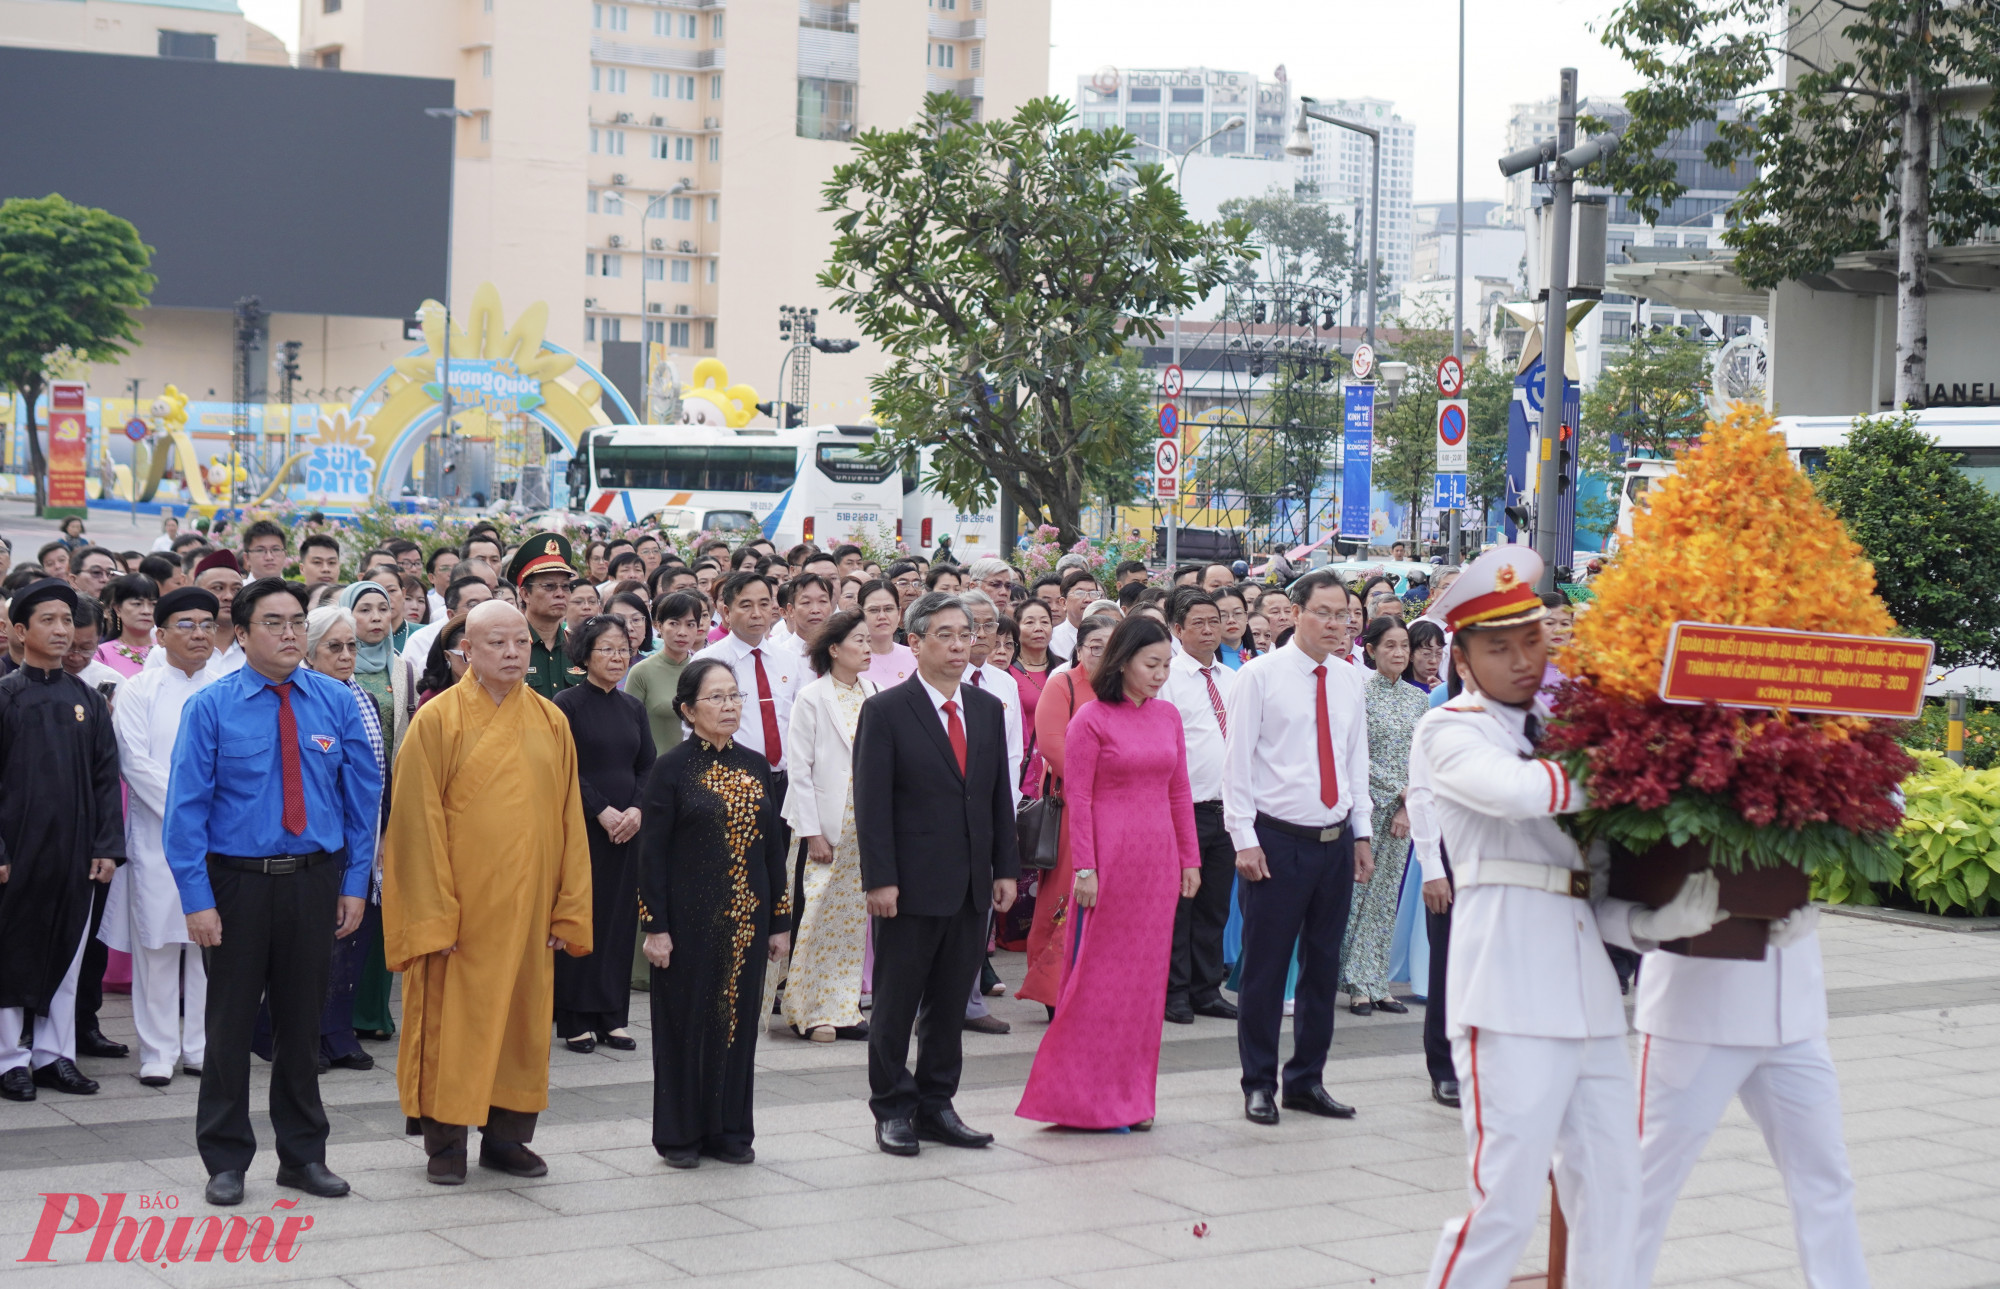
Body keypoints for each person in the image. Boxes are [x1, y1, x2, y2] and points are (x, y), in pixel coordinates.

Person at [1414, 545, 1714, 1289]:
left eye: (1532, 639)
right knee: (1505, 1207)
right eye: (1498, 646)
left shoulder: (1567, 730)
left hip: (1587, 996)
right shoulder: (1452, 730)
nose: (1522, 659)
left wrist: (1659, 922)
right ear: (1462, 656)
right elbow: (1521, 793)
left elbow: (1594, 892)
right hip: (1508, 993)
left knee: (1615, 1193)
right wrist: (1636, 760)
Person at [163, 577, 380, 1205]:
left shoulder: (335, 702)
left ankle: (303, 1156)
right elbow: (186, 812)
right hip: (236, 886)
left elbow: (362, 802)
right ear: (244, 631)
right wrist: (197, 898)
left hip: (315, 882)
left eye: (296, 623)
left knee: (301, 1023)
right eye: (274, 623)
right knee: (229, 1025)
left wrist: (355, 882)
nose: (289, 634)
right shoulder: (212, 706)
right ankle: (225, 1159)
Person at [381, 601, 594, 1185]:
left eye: (520, 643)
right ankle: (444, 1143)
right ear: (465, 653)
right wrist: (431, 917)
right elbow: (414, 828)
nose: (511, 654)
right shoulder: (437, 720)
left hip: (528, 913)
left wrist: (568, 905)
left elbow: (568, 819)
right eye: (495, 644)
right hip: (461, 916)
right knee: (452, 1027)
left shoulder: (550, 720)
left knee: (521, 1026)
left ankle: (507, 1138)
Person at [1016, 616, 1198, 1130]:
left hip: (1156, 863)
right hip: (1107, 862)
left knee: (1144, 987)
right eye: (1152, 664)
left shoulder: (1168, 717)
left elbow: (1178, 791)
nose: (1162, 674)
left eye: (1167, 664)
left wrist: (1189, 858)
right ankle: (1079, 1097)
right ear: (1123, 662)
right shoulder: (1091, 719)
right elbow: (1081, 796)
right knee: (1098, 981)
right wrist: (1087, 868)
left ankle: (1133, 1097)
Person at [854, 592, 1019, 1156]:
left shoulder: (986, 707)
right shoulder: (885, 711)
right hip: (909, 883)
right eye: (943, 635)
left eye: (964, 634)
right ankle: (892, 1108)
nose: (957, 644)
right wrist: (880, 879)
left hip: (972, 880)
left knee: (950, 1004)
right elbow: (871, 804)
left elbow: (997, 794)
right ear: (915, 642)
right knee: (897, 1003)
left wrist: (1005, 868)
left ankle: (937, 1104)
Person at [1223, 569, 1376, 1128]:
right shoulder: (1259, 676)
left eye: (1345, 616)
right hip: (1276, 840)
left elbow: (1353, 759)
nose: (1337, 625)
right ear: (1295, 611)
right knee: (1264, 970)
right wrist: (1243, 838)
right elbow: (1236, 762)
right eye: (1326, 613)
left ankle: (1307, 1079)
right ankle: (1258, 1082)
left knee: (1322, 967)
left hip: (1334, 842)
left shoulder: (1349, 679)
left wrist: (1361, 832)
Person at [638, 658, 788, 1165]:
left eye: (734, 696)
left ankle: (729, 1131)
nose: (729, 706)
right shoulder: (671, 768)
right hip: (688, 921)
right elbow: (651, 854)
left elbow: (773, 849)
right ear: (687, 709)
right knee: (686, 1026)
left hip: (748, 921)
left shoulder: (755, 764)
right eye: (716, 698)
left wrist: (780, 923)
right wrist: (655, 927)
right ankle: (680, 1136)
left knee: (737, 1026)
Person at [0, 581, 125, 1103]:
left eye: (65, 620)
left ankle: (56, 1056)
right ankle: (10, 1059)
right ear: (20, 631)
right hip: (17, 852)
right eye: (47, 620)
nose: (59, 630)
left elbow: (105, 778)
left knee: (70, 951)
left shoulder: (87, 701)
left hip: (75, 851)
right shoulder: (6, 696)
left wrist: (106, 846)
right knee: (11, 951)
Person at [103, 586, 219, 1086]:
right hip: (158, 835)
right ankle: (157, 1049)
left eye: (207, 624)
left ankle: (198, 1044)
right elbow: (134, 763)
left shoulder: (227, 684)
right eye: (187, 624)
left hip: (219, 835)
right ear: (161, 633)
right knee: (157, 943)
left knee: (207, 943)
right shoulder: (139, 689)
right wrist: (188, 811)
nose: (198, 634)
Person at [552, 616, 656, 1053]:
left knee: (618, 921)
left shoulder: (632, 706)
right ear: (585, 655)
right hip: (584, 828)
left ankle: (613, 1017)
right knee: (583, 917)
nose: (617, 658)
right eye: (607, 649)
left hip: (628, 830)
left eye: (623, 649)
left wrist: (635, 809)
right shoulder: (567, 703)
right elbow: (564, 767)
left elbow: (647, 765)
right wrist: (601, 811)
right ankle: (575, 1017)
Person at [293, 606, 386, 1071]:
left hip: (363, 830)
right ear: (309, 652)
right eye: (334, 646)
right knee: (317, 940)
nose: (347, 654)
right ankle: (305, 1033)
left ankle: (338, 1029)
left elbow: (376, 774)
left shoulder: (363, 698)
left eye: (352, 645)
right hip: (318, 835)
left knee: (355, 932)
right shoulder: (304, 697)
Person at [778, 610, 878, 1043]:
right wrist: (811, 831)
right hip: (826, 823)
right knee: (816, 915)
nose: (868, 646)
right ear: (834, 649)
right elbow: (798, 770)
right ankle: (806, 1010)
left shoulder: (874, 691)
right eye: (859, 640)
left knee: (854, 919)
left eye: (870, 640)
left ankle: (844, 1007)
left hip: (867, 826)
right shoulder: (812, 696)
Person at [1019, 612, 1115, 1010]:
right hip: (1073, 808)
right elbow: (1055, 748)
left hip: (1117, 813)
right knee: (1064, 896)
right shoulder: (1063, 684)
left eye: (1114, 647)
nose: (1105, 655)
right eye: (1096, 647)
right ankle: (1051, 987)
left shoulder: (1129, 688)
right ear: (1078, 650)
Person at [1339, 615, 1430, 1017]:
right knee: (1360, 891)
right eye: (1389, 646)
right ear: (1371, 650)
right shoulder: (1358, 694)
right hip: (1366, 805)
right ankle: (1356, 983)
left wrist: (1410, 803)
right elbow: (1356, 754)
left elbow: (1422, 758)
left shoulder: (1418, 698)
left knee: (1385, 897)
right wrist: (1399, 790)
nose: (1398, 653)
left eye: (1404, 646)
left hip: (1404, 814)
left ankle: (1377, 982)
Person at [1160, 590, 1239, 1024]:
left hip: (1227, 810)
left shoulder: (1232, 679)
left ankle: (1206, 990)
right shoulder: (1167, 679)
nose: (1210, 629)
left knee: (1214, 906)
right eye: (1200, 623)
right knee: (1179, 905)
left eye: (1216, 620)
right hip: (1184, 810)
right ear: (1177, 629)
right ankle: (1173, 992)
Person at [626, 590, 705, 753]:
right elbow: (628, 729)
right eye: (674, 623)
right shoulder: (641, 672)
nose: (682, 632)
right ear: (659, 626)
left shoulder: (705, 670)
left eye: (690, 624)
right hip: (657, 769)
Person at [508, 534, 576, 700]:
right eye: (549, 586)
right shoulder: (509, 647)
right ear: (525, 594)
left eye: (566, 587)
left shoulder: (578, 647)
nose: (560, 594)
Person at [857, 579, 916, 687]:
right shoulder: (851, 661)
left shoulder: (915, 657)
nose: (882, 616)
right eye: (874, 610)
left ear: (899, 613)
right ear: (860, 614)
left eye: (888, 609)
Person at [97, 574, 159, 676]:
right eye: (137, 604)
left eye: (153, 604)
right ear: (118, 608)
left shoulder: (168, 651)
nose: (147, 611)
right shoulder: (101, 654)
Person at [1048, 569, 1099, 659]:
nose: (1088, 599)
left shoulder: (1108, 634)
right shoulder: (1051, 639)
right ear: (1063, 603)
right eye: (1080, 593)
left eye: (1093, 593)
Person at [1408, 618, 1447, 692]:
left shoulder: (1448, 690)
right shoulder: (1400, 691)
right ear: (1411, 655)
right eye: (1427, 654)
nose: (1434, 661)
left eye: (1439, 653)